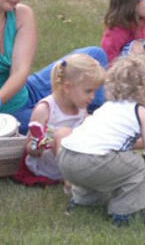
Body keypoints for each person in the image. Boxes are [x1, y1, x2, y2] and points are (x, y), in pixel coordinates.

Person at [58, 54, 145, 227]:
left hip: (66, 158)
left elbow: (122, 141)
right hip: (90, 161)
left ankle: (83, 202)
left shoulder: (108, 107)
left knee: (100, 163)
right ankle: (126, 214)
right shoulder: (141, 112)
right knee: (136, 166)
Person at [0, 0, 107, 134]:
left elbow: (20, 71)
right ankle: (83, 120)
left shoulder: (21, 15)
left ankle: (86, 113)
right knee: (45, 128)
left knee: (94, 56)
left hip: (27, 91)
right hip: (8, 115)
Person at [20, 54, 105, 183]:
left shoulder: (81, 106)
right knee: (62, 134)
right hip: (49, 164)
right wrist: (37, 145)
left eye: (94, 91)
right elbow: (30, 147)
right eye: (88, 91)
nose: (93, 97)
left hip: (74, 156)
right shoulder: (45, 109)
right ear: (67, 87)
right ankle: (71, 182)